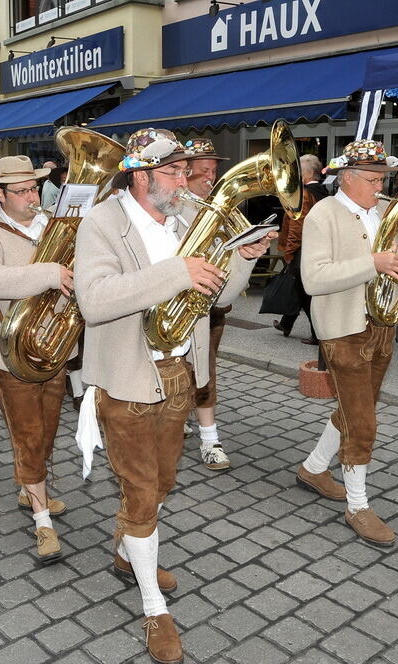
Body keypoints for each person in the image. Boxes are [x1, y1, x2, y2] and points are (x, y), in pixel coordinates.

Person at [74, 128, 274, 664]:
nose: (185, 181)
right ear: (141, 177)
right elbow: (93, 301)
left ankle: (127, 549)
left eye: (186, 171)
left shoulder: (187, 219)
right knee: (142, 490)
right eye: (173, 172)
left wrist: (245, 258)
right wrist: (174, 271)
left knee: (160, 483)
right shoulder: (102, 222)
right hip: (128, 378)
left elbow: (220, 294)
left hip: (181, 372)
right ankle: (152, 605)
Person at [297, 139, 398, 547]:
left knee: (355, 407)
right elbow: (313, 279)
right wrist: (372, 264)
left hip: (384, 322)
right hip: (342, 328)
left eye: (385, 177)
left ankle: (312, 468)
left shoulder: (386, 211)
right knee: (363, 419)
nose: (382, 185)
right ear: (346, 178)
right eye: (373, 178)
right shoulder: (323, 213)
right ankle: (358, 505)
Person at [0, 156, 73, 564]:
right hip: (11, 355)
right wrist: (49, 272)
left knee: (46, 433)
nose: (32, 197)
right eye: (22, 191)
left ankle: (31, 484)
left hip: (56, 347)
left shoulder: (51, 226)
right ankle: (43, 521)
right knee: (28, 435)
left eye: (34, 188)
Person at [180, 137, 232, 471]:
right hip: (175, 302)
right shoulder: (173, 205)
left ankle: (209, 438)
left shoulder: (219, 204)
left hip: (211, 305)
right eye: (204, 171)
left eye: (214, 170)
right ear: (186, 173)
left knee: (205, 370)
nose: (211, 178)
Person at [275, 153, 327, 345]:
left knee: (304, 293)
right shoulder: (323, 192)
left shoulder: (304, 194)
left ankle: (318, 334)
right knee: (300, 290)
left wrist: (289, 253)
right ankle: (287, 324)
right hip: (316, 247)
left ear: (306, 175)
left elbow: (297, 226)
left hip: (302, 250)